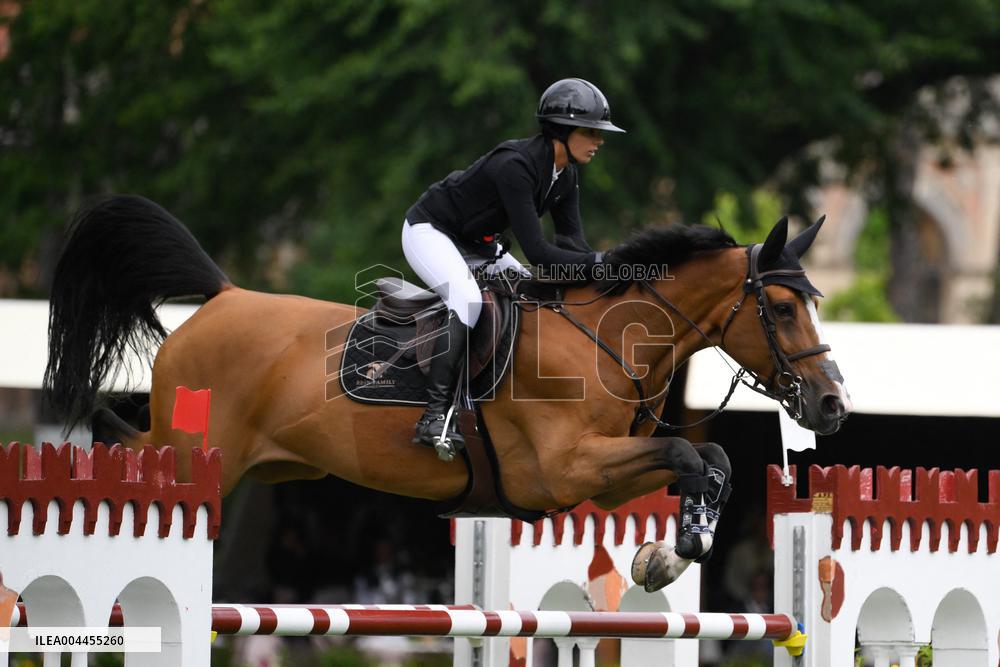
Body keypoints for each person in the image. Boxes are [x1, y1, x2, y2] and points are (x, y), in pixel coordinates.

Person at [402, 77, 625, 448]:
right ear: (562, 130)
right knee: (467, 300)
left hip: (480, 245)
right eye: (591, 131)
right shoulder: (515, 167)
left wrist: (603, 272)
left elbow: (572, 246)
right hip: (431, 231)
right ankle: (434, 415)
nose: (599, 140)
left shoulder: (565, 176)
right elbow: (539, 253)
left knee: (530, 295)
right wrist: (603, 262)